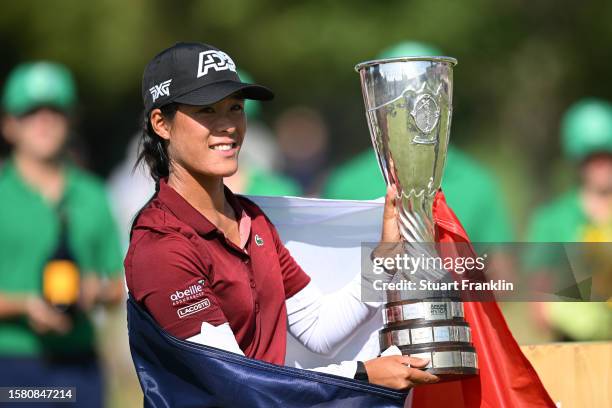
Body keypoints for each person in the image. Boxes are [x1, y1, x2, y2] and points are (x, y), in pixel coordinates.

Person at [125, 42, 439, 392]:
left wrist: (383, 257)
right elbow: (233, 381)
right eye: (207, 110)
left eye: (235, 108)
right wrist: (362, 374)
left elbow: (319, 328)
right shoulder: (162, 247)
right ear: (161, 124)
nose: (228, 125)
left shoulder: (252, 220)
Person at [0, 62, 125, 406]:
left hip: (80, 364)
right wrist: (26, 305)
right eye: (31, 112)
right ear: (10, 125)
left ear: (70, 121)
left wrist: (95, 291)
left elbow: (117, 284)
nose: (44, 122)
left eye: (55, 111)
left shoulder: (94, 195)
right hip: (11, 363)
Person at [323, 41, 514, 244]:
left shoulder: (478, 182)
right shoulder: (347, 183)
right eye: (399, 95)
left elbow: (498, 264)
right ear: (377, 104)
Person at [526, 98, 612, 341]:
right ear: (578, 160)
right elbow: (539, 302)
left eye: (607, 156)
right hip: (574, 347)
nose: (602, 166)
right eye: (593, 158)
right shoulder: (551, 220)